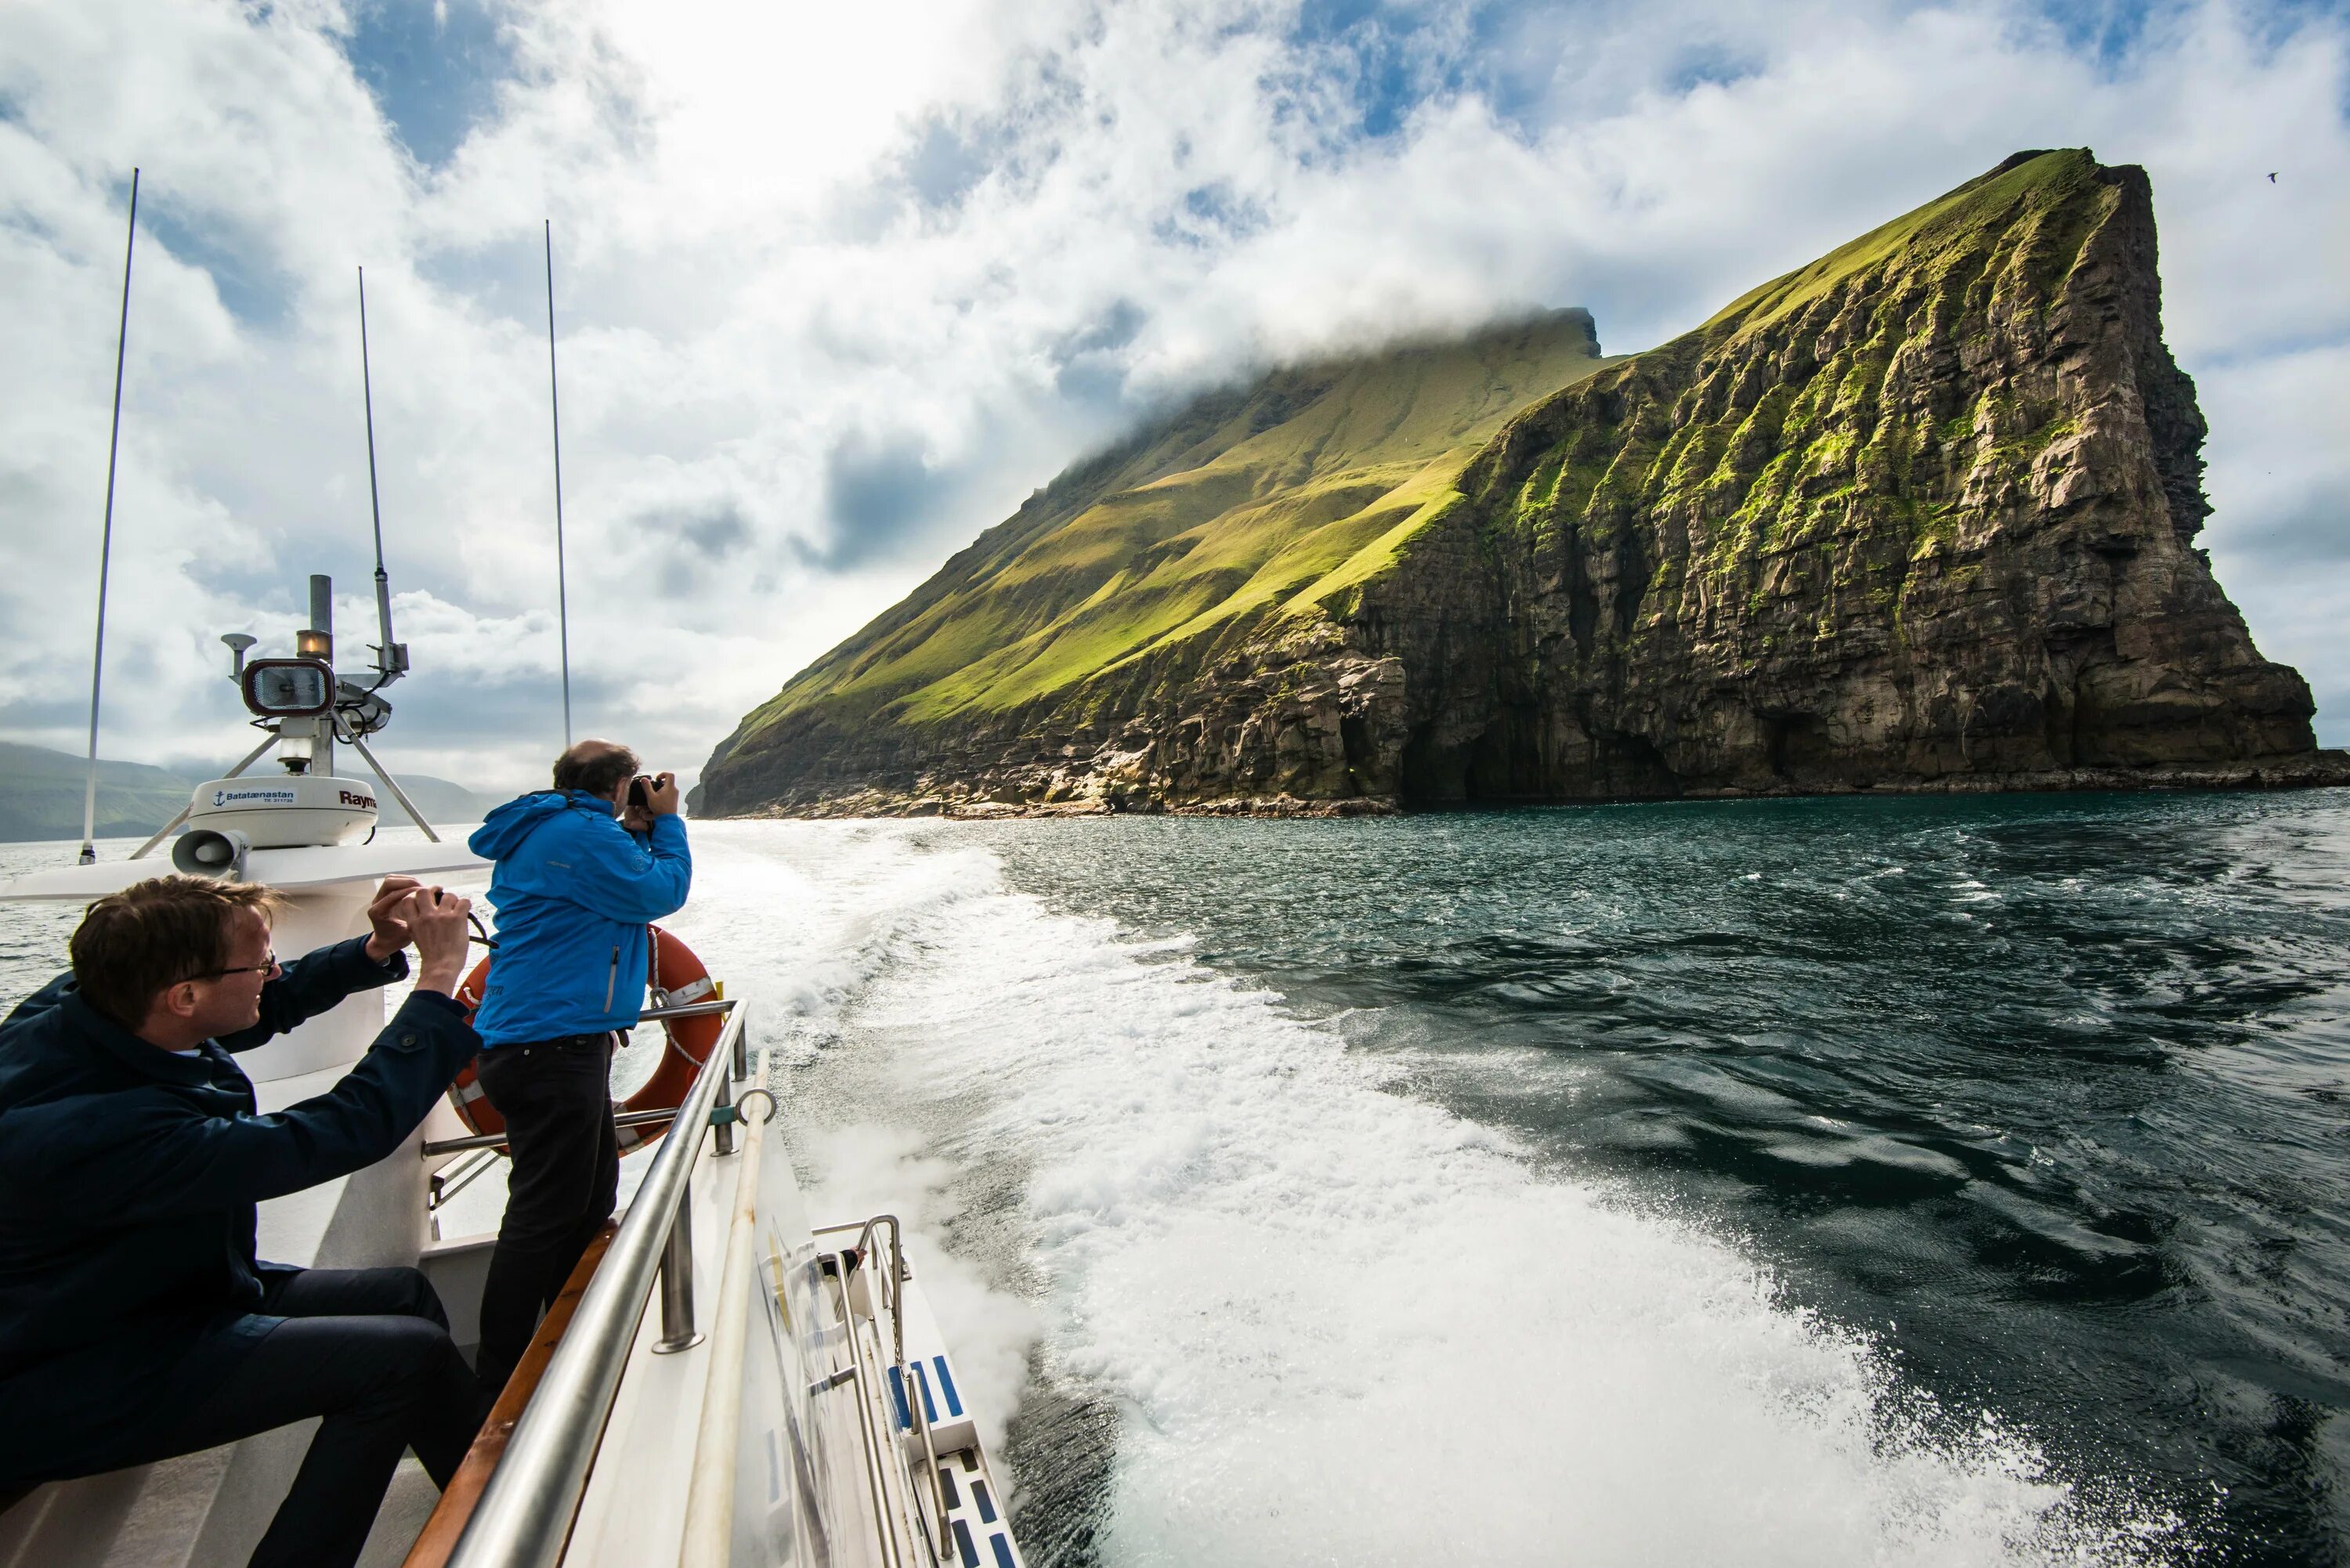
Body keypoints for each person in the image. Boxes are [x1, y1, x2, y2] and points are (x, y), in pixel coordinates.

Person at [0, 873, 483, 1568]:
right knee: (402, 1359)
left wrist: (374, 950)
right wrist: (438, 978)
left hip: (146, 1293)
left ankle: (484, 1501)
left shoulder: (98, 1006)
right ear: (185, 993)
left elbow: (258, 1006)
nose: (274, 971)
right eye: (259, 962)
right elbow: (339, 1131)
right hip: (74, 1370)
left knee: (403, 1296)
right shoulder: (100, 1131)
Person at [466, 739, 690, 1396]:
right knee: (542, 1215)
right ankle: (500, 1383)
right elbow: (659, 891)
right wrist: (668, 824)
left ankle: (573, 1343)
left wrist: (635, 832)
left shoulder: (556, 828)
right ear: (621, 784)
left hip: (548, 1042)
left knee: (589, 1198)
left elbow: (611, 888)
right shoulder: (582, 834)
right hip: (551, 1047)